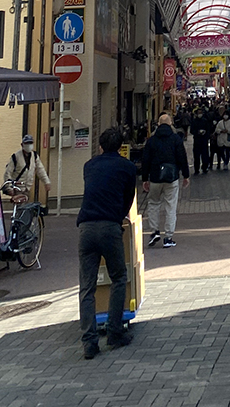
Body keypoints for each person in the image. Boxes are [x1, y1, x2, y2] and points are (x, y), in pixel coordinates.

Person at [76, 126, 138, 359]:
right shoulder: (128, 167)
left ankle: (89, 342)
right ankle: (114, 331)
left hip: (86, 227)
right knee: (119, 277)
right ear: (121, 147)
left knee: (87, 287)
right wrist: (118, 217)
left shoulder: (89, 166)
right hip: (110, 227)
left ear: (100, 146)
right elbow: (128, 198)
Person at [140, 113, 190, 247]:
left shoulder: (151, 140)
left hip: (155, 178)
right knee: (170, 206)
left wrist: (145, 178)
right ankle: (168, 237)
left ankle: (154, 231)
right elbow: (182, 157)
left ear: (158, 124)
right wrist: (186, 175)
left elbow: (145, 160)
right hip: (171, 177)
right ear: (170, 124)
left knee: (153, 204)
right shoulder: (175, 139)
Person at [190, 108, 213, 175]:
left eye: (201, 113)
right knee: (196, 155)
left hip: (204, 140)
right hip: (197, 140)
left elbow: (208, 129)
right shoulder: (194, 121)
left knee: (205, 154)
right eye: (199, 113)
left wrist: (206, 134)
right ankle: (196, 169)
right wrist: (197, 132)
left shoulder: (205, 121)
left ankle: (205, 167)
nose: (200, 114)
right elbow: (191, 130)